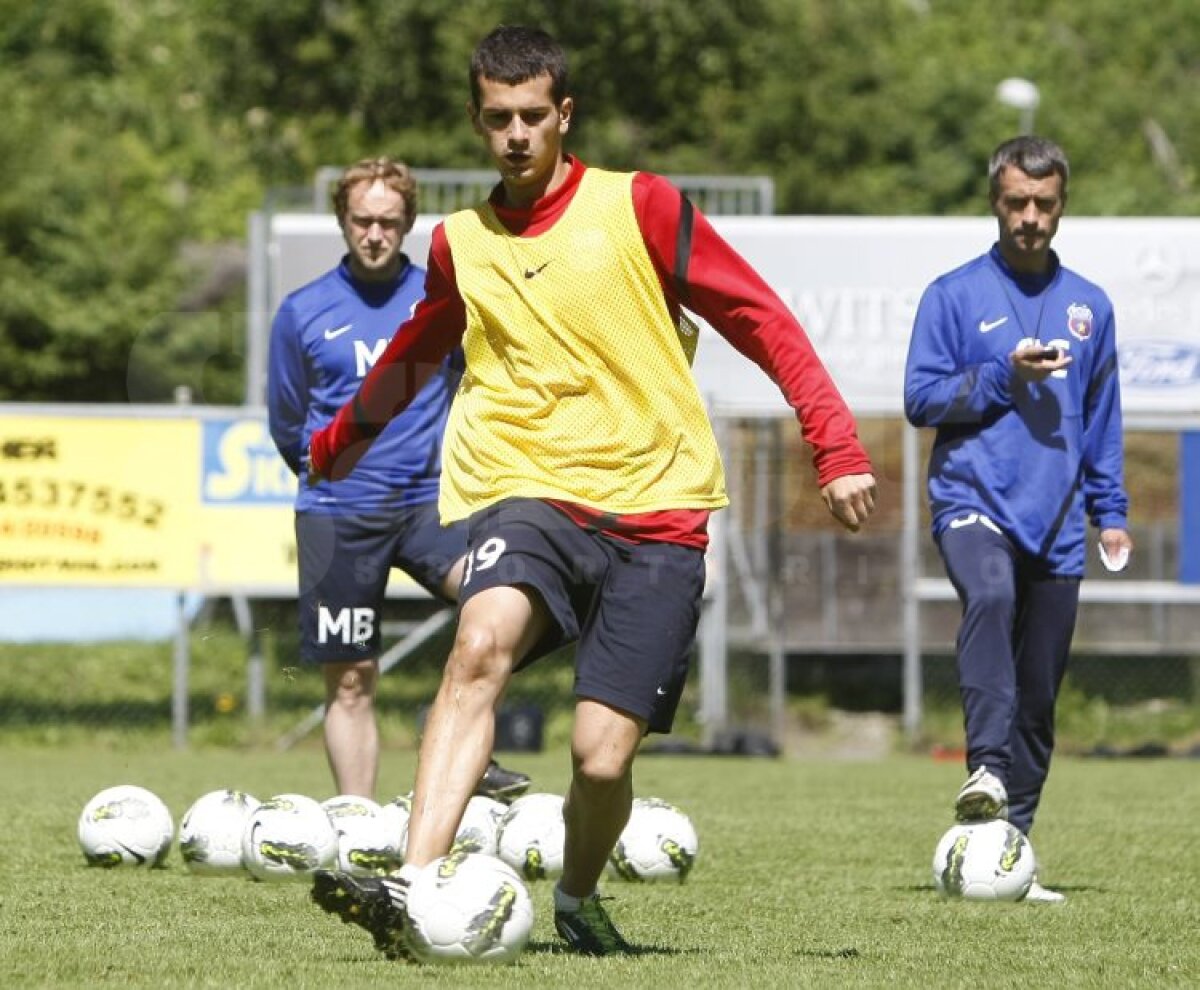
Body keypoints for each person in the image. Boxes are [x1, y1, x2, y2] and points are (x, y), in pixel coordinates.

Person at [305, 26, 876, 958]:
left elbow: (758, 316)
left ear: (564, 114)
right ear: (477, 121)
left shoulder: (639, 206)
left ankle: (575, 895)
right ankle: (411, 887)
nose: (518, 134)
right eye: (499, 119)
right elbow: (416, 351)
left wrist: (835, 443)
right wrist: (338, 444)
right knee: (478, 644)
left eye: (535, 115)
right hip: (530, 491)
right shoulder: (459, 244)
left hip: (658, 508)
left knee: (600, 757)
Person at [904, 135, 1132, 903]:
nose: (1029, 217)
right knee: (991, 597)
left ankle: (1009, 852)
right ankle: (987, 769)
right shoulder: (953, 295)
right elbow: (921, 399)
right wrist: (1002, 374)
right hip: (972, 502)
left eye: (1044, 203)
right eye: (1015, 202)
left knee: (1039, 697)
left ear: (1062, 205)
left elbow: (1102, 417)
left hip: (1060, 522)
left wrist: (1111, 510)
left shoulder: (1090, 308)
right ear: (994, 202)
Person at [267, 156, 530, 803]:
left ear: (408, 223)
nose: (375, 234)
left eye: (389, 221)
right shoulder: (302, 312)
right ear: (343, 221)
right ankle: (358, 822)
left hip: (429, 507)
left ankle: (470, 750)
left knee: (498, 612)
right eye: (363, 221)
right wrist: (331, 479)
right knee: (351, 680)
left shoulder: (444, 302)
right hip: (338, 515)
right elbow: (286, 421)